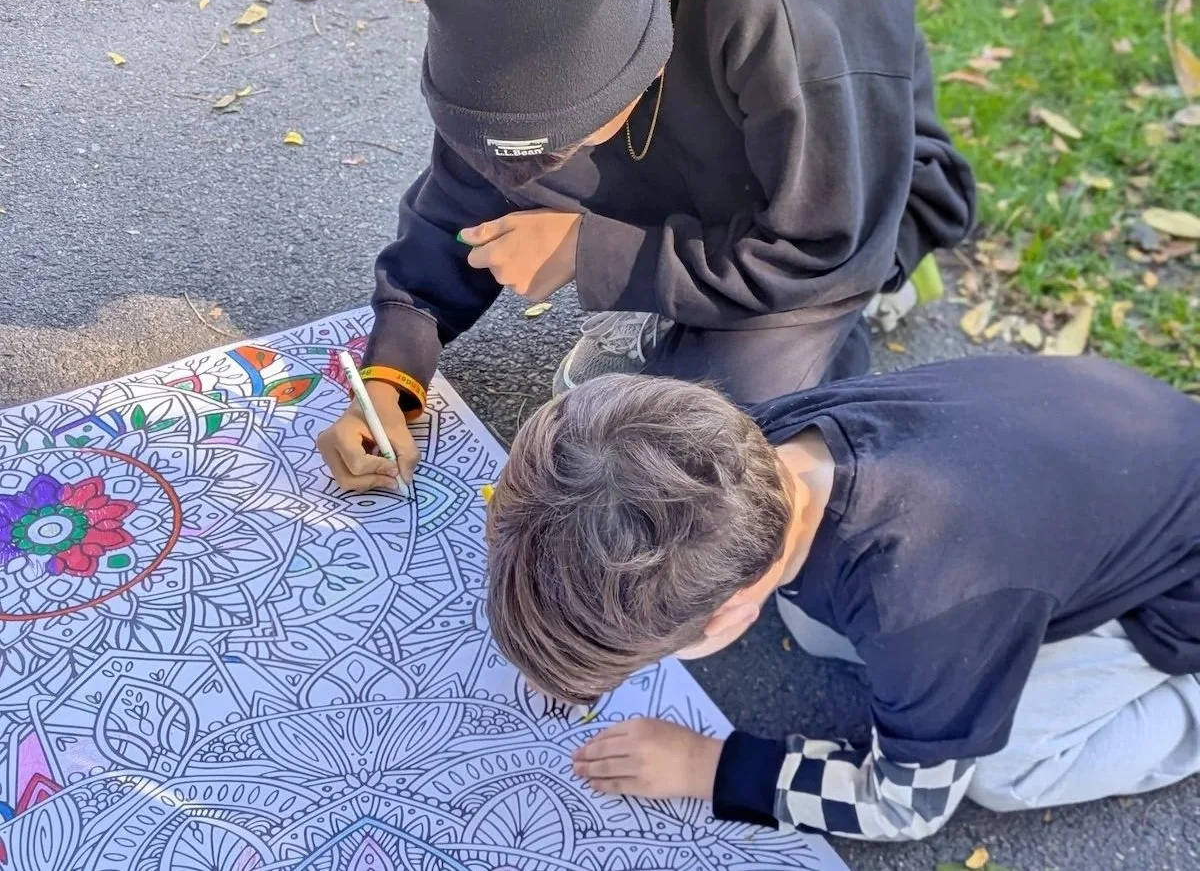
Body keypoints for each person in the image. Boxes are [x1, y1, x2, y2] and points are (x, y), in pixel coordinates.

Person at [484, 357, 1200, 841]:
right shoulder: (728, 448)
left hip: (1171, 596)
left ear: (727, 618)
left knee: (1004, 770)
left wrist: (711, 767)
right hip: (1116, 450)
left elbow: (909, 806)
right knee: (818, 628)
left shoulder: (920, 605)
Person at [316, 0, 975, 492]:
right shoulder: (501, 14)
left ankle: (868, 292)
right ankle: (665, 297)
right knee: (639, 446)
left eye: (558, 142)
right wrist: (391, 373)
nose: (522, 177)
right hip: (696, 165)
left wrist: (591, 252)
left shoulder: (777, 9)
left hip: (836, 195)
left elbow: (820, 249)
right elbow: (461, 200)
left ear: (645, 52)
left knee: (690, 465)